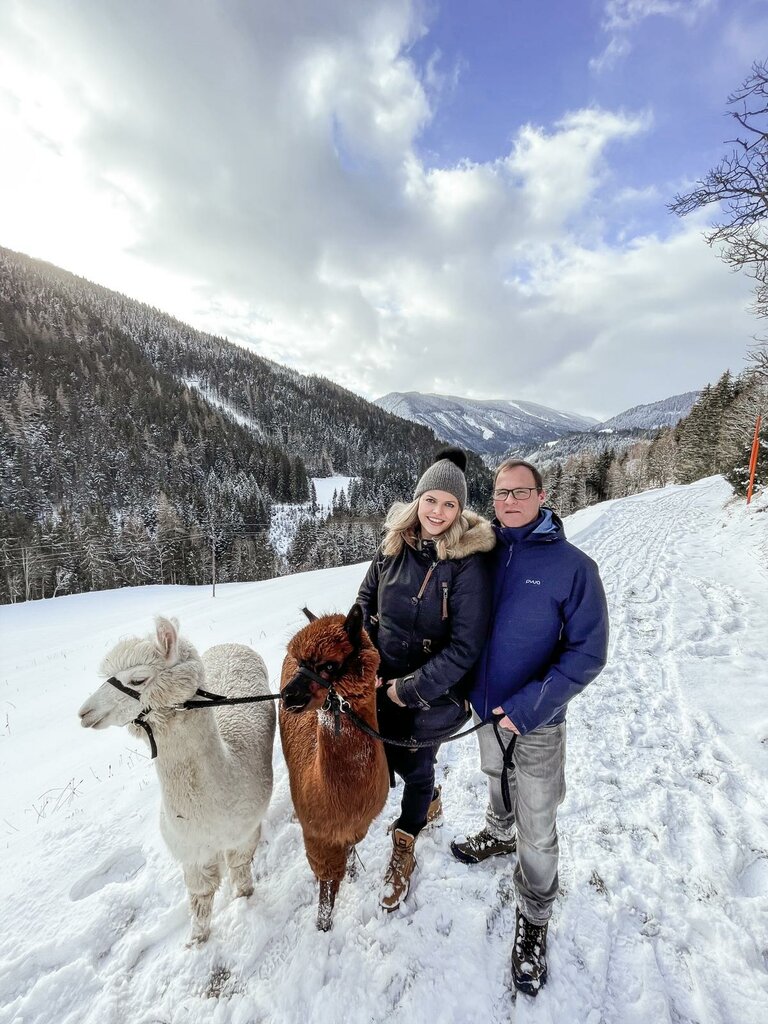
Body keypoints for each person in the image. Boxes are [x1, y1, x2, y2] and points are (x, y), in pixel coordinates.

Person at [451, 458, 608, 997]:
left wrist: (532, 705)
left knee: (538, 824)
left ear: (542, 496)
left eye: (521, 492)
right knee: (494, 777)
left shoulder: (573, 567)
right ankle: (498, 835)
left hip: (537, 721)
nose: (510, 501)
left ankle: (535, 916)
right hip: (484, 712)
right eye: (500, 493)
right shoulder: (479, 557)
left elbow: (588, 652)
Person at [356, 448, 494, 911]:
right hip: (383, 677)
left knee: (415, 764)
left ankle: (406, 838)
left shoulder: (467, 564)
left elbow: (464, 648)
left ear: (460, 510)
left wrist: (407, 689)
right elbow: (365, 604)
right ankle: (430, 799)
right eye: (430, 500)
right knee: (384, 749)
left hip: (433, 689)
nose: (437, 512)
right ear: (418, 500)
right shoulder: (394, 543)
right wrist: (367, 660)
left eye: (448, 504)